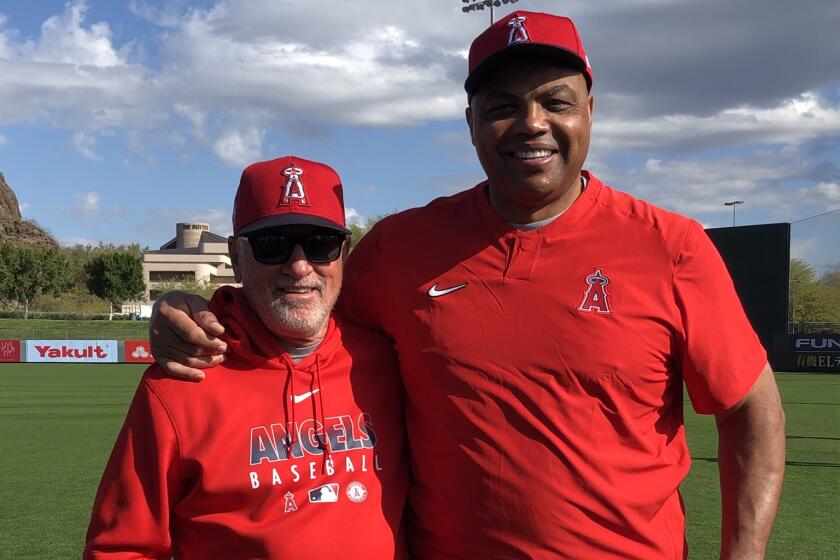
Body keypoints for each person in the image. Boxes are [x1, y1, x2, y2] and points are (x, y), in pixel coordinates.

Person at [149, 11, 785, 559]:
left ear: (589, 110)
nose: (531, 123)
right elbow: (295, 307)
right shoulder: (400, 249)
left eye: (555, 101)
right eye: (503, 107)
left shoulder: (670, 245)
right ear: (471, 121)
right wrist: (187, 310)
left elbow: (751, 411)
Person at [85, 156, 408, 559]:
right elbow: (121, 549)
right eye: (271, 245)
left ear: (344, 253)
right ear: (237, 257)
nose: (299, 266)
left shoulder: (390, 360)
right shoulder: (181, 379)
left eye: (320, 244)